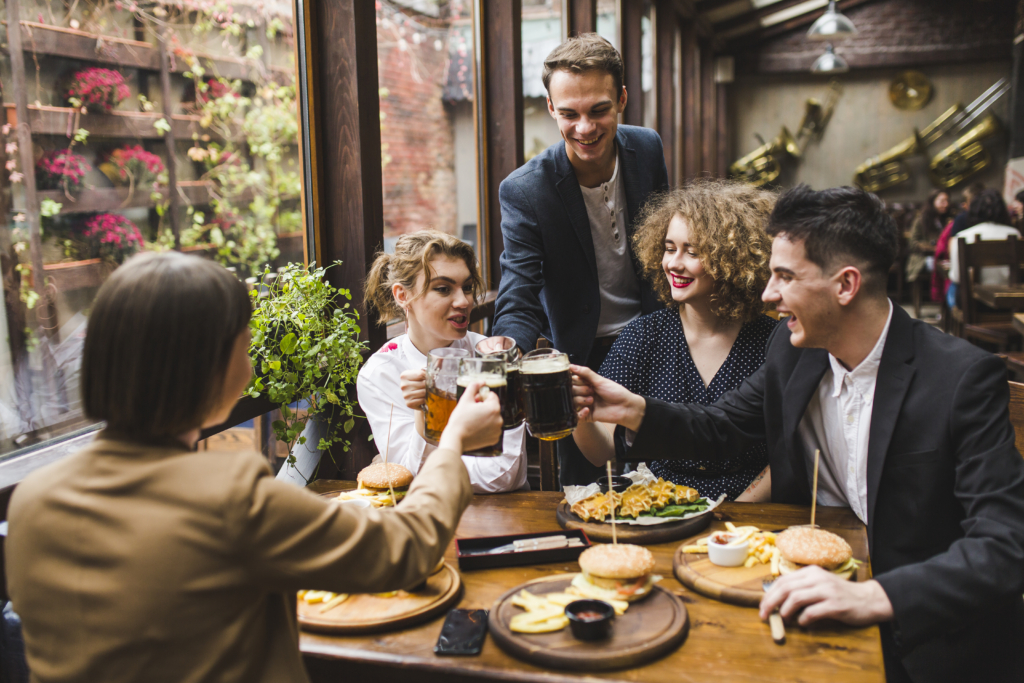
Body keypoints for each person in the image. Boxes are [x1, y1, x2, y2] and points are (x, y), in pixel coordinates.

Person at [571, 185, 1024, 682]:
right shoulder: (793, 354)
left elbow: (1005, 545)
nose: (768, 294)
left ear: (845, 286)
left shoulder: (961, 378)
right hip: (802, 603)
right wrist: (631, 408)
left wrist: (874, 595)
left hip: (929, 637)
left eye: (784, 277)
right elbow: (721, 428)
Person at [4, 252, 503, 683]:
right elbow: (407, 549)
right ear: (213, 367)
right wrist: (453, 439)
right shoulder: (229, 494)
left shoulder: (34, 499)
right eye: (246, 345)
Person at [492, 33, 669, 486]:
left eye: (599, 110)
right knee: (588, 491)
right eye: (569, 114)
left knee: (667, 475)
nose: (584, 128)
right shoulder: (524, 191)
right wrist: (503, 347)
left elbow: (665, 243)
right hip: (579, 360)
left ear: (623, 99)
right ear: (551, 108)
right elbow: (519, 290)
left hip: (656, 342)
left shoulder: (647, 148)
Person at [572, 179, 777, 501]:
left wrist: (739, 513)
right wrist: (578, 415)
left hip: (751, 512)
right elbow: (602, 454)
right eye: (669, 248)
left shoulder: (773, 342)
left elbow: (788, 454)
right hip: (663, 506)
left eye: (692, 251)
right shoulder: (644, 336)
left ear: (733, 260)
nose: (673, 263)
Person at [359, 231, 528, 493]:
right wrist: (422, 414)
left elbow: (504, 475)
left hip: (508, 514)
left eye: (468, 287)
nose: (464, 301)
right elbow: (407, 477)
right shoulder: (380, 374)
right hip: (427, 521)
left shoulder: (492, 357)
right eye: (443, 289)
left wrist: (437, 466)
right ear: (402, 295)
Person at [945, 188, 1020, 310]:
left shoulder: (963, 236)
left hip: (972, 303)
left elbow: (957, 276)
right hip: (1008, 302)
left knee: (952, 289)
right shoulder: (1015, 234)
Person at [904, 190, 951, 283]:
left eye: (947, 201)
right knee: (941, 267)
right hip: (923, 258)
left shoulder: (946, 220)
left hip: (942, 257)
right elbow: (913, 244)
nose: (946, 204)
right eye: (942, 201)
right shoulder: (921, 220)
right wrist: (934, 248)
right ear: (933, 202)